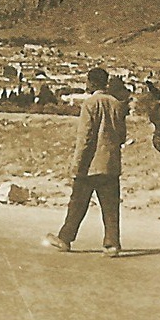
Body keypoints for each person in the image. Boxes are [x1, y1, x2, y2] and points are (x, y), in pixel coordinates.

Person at [44, 67, 127, 257]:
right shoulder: (116, 104)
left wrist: (77, 164)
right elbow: (122, 135)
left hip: (90, 165)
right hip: (111, 164)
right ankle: (112, 244)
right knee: (111, 206)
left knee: (77, 204)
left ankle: (65, 239)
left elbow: (86, 138)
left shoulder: (89, 104)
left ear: (91, 83)